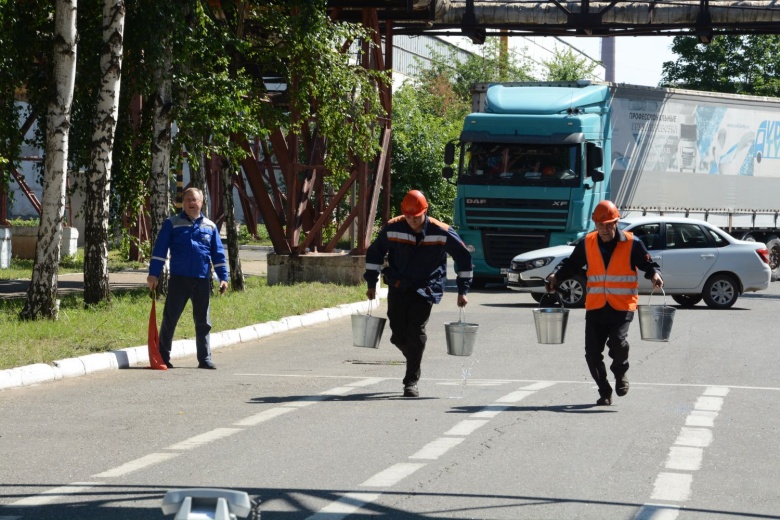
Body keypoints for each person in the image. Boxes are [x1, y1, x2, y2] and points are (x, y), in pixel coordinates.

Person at [544, 200, 663, 406]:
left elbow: (648, 264)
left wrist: (654, 275)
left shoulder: (632, 243)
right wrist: (555, 277)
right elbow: (571, 264)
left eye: (609, 224)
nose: (605, 229)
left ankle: (620, 373)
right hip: (596, 305)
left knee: (618, 342)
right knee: (592, 354)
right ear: (595, 225)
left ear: (616, 222)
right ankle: (604, 390)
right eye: (601, 225)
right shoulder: (587, 243)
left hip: (622, 305)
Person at [364, 190, 473, 398]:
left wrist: (463, 289)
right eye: (408, 217)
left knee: (416, 330)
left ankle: (410, 381)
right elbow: (375, 253)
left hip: (426, 287)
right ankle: (412, 354)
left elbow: (463, 257)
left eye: (416, 217)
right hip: (398, 285)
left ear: (425, 211)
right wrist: (371, 283)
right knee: (397, 334)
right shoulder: (393, 228)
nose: (412, 221)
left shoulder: (441, 231)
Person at [147, 186, 229, 370]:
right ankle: (163, 357)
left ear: (201, 202)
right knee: (170, 319)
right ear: (182, 203)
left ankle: (204, 358)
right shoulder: (172, 223)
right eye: (188, 200)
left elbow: (218, 255)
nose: (192, 203)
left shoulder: (210, 226)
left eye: (195, 200)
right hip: (179, 279)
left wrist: (223, 278)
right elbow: (160, 251)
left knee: (203, 321)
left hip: (201, 280)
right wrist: (153, 274)